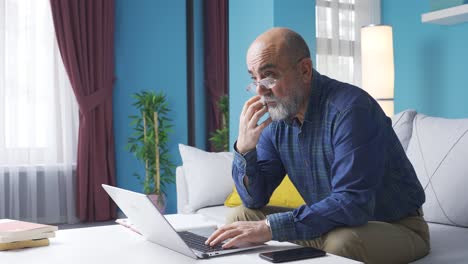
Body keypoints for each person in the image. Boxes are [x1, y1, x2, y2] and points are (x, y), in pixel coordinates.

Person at [204, 27, 430, 263]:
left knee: (341, 243)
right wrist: (245, 149)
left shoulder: (351, 110)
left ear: (304, 70)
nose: (261, 91)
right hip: (333, 224)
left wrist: (271, 228)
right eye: (254, 79)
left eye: (269, 76)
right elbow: (254, 200)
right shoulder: (278, 121)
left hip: (395, 226)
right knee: (242, 217)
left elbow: (352, 203)